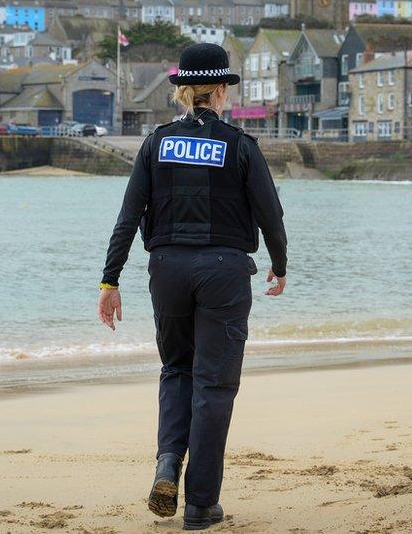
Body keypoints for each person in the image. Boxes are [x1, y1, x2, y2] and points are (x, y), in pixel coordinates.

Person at [97, 42, 288, 531]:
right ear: (220, 91)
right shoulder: (241, 145)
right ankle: (201, 505)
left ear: (183, 91)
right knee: (214, 384)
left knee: (176, 369)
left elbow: (128, 215)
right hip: (224, 270)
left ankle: (167, 464)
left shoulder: (156, 142)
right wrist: (280, 264)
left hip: (167, 270)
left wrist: (109, 279)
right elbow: (270, 212)